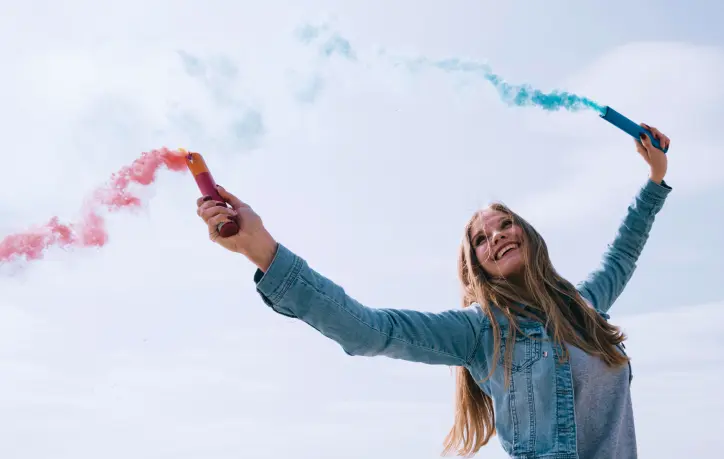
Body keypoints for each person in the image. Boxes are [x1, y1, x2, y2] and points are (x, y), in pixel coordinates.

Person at [195, 124, 671, 459]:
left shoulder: (584, 308)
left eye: (505, 225)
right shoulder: (478, 332)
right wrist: (263, 252)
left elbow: (624, 252)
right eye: (481, 239)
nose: (497, 236)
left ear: (527, 233)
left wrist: (654, 177)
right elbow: (371, 330)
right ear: (477, 267)